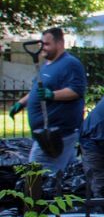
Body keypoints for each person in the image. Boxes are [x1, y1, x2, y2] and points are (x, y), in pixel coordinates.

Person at [8, 28, 87, 174]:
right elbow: (36, 91)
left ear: (60, 44)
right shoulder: (47, 66)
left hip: (56, 133)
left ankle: (40, 197)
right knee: (61, 175)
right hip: (44, 133)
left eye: (46, 44)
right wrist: (21, 103)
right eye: (41, 44)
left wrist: (52, 95)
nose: (42, 48)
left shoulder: (70, 64)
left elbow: (76, 90)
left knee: (36, 175)